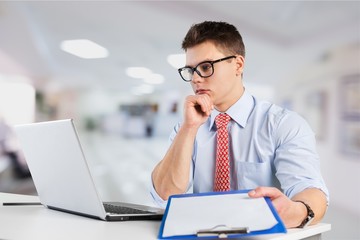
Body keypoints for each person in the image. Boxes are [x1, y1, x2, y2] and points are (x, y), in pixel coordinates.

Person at [150, 21, 328, 228]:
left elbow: (311, 189)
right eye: (191, 70)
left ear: (238, 64)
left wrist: (296, 211)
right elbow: (164, 195)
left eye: (206, 67)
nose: (196, 79)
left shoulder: (283, 124)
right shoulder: (186, 127)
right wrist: (189, 129)